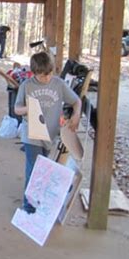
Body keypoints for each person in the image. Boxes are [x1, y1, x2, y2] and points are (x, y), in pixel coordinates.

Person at [14, 51, 81, 214]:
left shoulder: (58, 84)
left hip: (51, 134)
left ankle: (45, 195)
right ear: (34, 73)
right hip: (32, 135)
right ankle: (28, 206)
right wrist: (27, 108)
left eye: (49, 74)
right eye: (43, 76)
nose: (47, 78)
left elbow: (76, 101)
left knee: (44, 166)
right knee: (34, 168)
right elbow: (16, 109)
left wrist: (76, 115)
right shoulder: (27, 86)